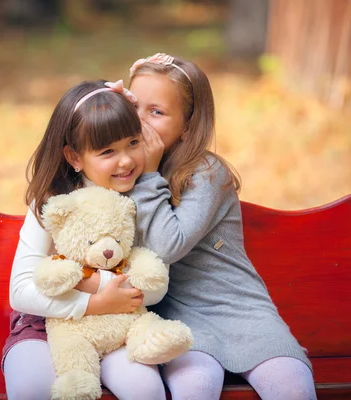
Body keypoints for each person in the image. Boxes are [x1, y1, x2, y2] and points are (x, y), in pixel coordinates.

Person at [126, 53, 317, 400]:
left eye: (156, 112)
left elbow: (169, 245)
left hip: (239, 308)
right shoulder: (121, 169)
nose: (139, 122)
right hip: (178, 318)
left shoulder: (206, 173)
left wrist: (151, 175)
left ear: (188, 125)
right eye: (133, 107)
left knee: (292, 385)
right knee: (195, 385)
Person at [3, 79, 169, 400]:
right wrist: (94, 301)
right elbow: (21, 291)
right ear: (75, 157)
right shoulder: (52, 204)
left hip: (120, 325)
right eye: (107, 151)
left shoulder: (142, 200)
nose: (125, 161)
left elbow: (157, 285)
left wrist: (107, 296)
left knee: (145, 389)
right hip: (47, 325)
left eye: (133, 142)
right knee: (31, 388)